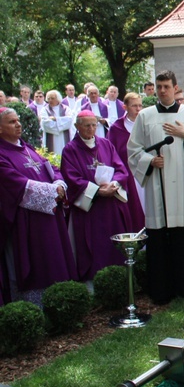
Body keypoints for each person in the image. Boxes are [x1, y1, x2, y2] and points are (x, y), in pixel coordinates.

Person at [127, 70, 184, 304]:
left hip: (183, 184)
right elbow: (133, 150)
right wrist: (149, 160)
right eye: (158, 86)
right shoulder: (145, 116)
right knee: (159, 239)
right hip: (157, 184)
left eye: (166, 86)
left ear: (175, 87)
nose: (162, 90)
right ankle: (161, 290)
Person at [0, 108, 76, 305]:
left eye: (18, 120)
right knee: (37, 264)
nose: (18, 124)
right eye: (11, 122)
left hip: (50, 216)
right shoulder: (2, 155)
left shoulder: (27, 148)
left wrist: (59, 184)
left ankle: (62, 302)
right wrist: (53, 192)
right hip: (26, 223)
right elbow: (15, 185)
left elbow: (52, 168)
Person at [61, 111, 131, 282]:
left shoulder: (106, 144)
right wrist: (98, 191)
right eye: (87, 125)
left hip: (110, 207)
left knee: (113, 244)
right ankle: (93, 282)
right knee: (93, 245)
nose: (91, 129)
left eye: (94, 125)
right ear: (77, 127)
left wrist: (113, 184)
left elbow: (121, 169)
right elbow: (72, 178)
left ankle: (118, 280)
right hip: (89, 208)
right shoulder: (70, 150)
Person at [107, 92, 146, 232]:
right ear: (125, 107)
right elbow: (110, 154)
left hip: (147, 172)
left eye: (140, 106)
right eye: (134, 106)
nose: (138, 109)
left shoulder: (147, 124)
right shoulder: (116, 128)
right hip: (128, 176)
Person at [40, 90, 73, 156]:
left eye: (52, 98)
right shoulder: (44, 110)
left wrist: (56, 119)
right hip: (50, 138)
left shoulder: (66, 109)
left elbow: (69, 120)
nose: (50, 100)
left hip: (64, 138)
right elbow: (45, 124)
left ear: (58, 99)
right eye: (48, 98)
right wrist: (61, 125)